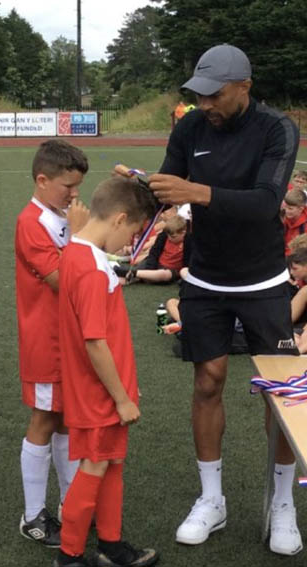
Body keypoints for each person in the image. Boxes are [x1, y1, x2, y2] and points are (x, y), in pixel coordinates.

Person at [146, 44, 302, 555]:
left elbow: (264, 204)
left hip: (263, 282)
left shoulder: (277, 128)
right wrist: (168, 209)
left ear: (244, 87)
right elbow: (170, 189)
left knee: (278, 395)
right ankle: (212, 498)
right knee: (207, 381)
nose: (205, 103)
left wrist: (196, 194)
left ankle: (282, 504)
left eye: (214, 94)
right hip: (205, 279)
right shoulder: (190, 127)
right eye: (198, 94)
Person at [54, 176, 158, 567]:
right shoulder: (92, 270)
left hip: (102, 388)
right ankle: (70, 555)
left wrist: (127, 389)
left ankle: (111, 546)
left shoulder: (78, 253)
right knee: (96, 464)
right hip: (98, 393)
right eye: (133, 230)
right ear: (118, 219)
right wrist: (119, 396)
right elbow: (95, 343)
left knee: (111, 462)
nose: (131, 242)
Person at [15, 139, 90, 547]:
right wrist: (80, 238)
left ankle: (69, 505)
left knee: (64, 420)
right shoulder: (32, 222)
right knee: (44, 420)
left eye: (78, 187)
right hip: (46, 341)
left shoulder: (59, 214)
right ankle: (32, 515)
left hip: (71, 338)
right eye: (67, 187)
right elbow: (63, 280)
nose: (74, 195)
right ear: (42, 181)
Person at [118, 215, 191, 284]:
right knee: (142, 265)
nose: (169, 238)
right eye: (168, 236)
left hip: (171, 271)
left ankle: (134, 273)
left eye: (173, 236)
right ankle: (123, 273)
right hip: (155, 264)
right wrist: (150, 268)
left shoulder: (188, 242)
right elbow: (154, 253)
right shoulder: (163, 237)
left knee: (165, 274)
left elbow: (188, 262)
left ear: (183, 233)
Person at [283, 189, 307, 255]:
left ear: (301, 209)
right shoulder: (283, 218)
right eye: (285, 207)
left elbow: (302, 251)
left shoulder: (304, 227)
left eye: (290, 208)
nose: (286, 211)